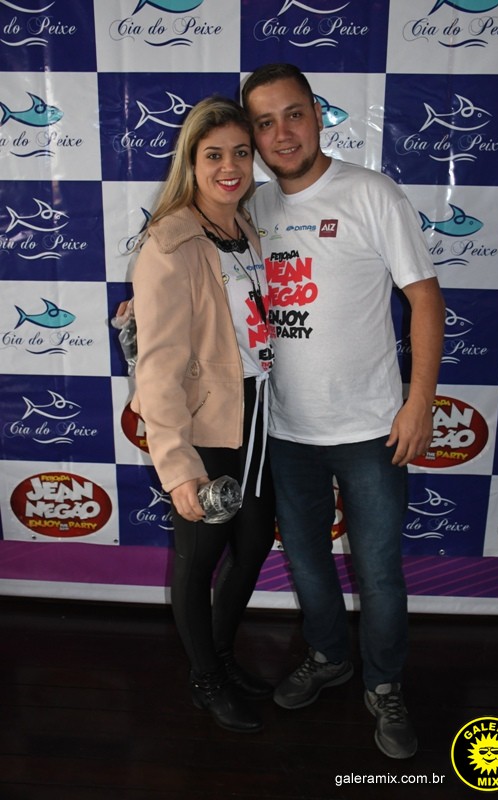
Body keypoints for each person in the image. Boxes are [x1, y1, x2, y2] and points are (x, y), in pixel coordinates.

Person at [241, 64, 445, 759]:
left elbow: (424, 297)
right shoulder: (255, 206)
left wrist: (419, 403)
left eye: (293, 114)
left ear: (317, 114)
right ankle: (329, 656)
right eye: (264, 122)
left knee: (379, 573)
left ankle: (384, 684)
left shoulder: (370, 192)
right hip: (285, 431)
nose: (281, 133)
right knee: (306, 563)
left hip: (370, 429)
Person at [130, 96, 276, 734]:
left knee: (252, 545)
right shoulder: (169, 243)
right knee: (199, 556)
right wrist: (178, 465)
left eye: (241, 153)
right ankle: (205, 679)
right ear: (190, 162)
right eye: (214, 154)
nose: (230, 167)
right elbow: (158, 366)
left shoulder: (248, 228)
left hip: (260, 416)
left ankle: (219, 655)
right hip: (206, 422)